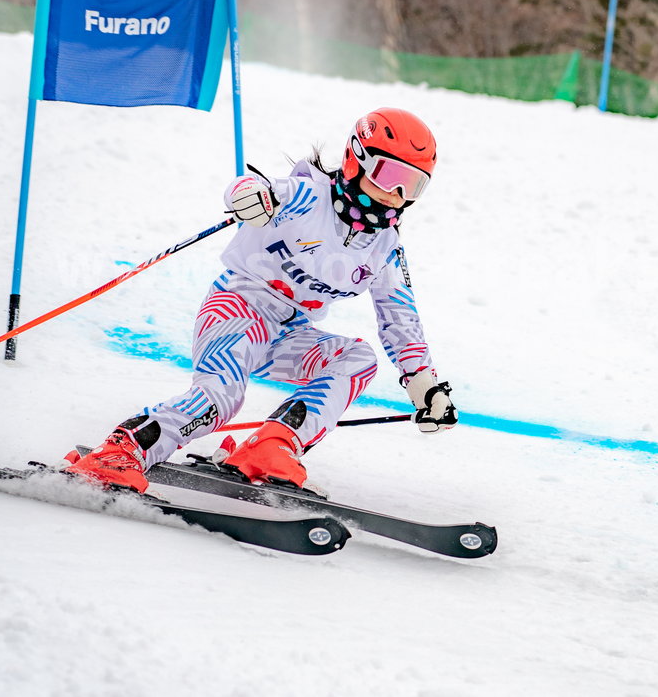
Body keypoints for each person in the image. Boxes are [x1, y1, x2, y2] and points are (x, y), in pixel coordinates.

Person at [63, 107, 457, 493]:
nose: (397, 195)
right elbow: (255, 189)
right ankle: (121, 451)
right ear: (358, 159)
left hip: (288, 335)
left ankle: (273, 446)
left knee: (357, 359)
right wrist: (251, 197)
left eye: (414, 185)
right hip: (238, 309)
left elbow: (399, 317)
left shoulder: (385, 246)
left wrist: (424, 385)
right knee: (221, 400)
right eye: (391, 176)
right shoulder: (309, 196)